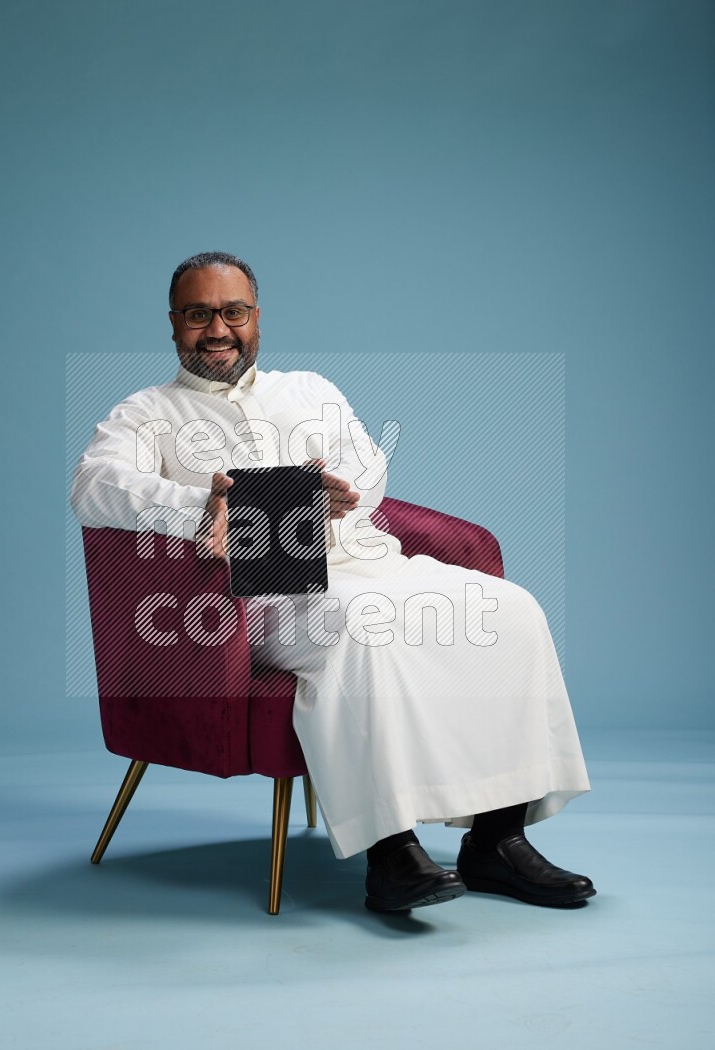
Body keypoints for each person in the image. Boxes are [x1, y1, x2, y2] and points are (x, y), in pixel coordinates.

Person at [71, 250, 596, 913]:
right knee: (361, 625)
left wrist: (343, 490)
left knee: (510, 610)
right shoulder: (146, 414)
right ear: (173, 324)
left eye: (233, 312)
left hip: (365, 560)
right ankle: (390, 853)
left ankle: (497, 841)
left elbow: (366, 462)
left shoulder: (311, 390)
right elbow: (93, 488)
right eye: (198, 314)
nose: (218, 329)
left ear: (256, 317)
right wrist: (200, 504)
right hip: (258, 595)